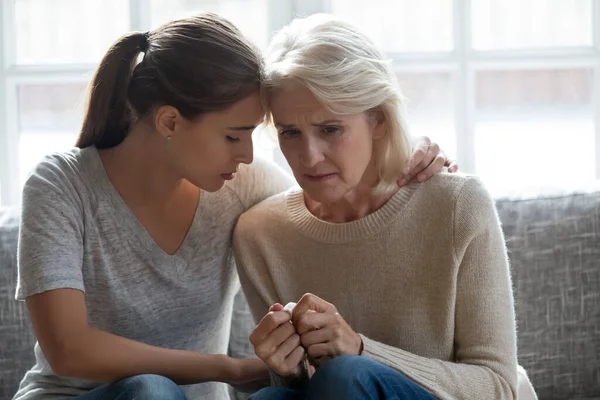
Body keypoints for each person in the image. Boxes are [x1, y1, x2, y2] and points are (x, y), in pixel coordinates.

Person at [13, 13, 454, 400]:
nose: (247, 154)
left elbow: (335, 201)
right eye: (233, 135)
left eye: (253, 135)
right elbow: (69, 350)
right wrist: (230, 369)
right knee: (151, 390)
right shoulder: (60, 185)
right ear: (169, 121)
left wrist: (402, 151)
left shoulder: (241, 185)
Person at [233, 14, 538, 400]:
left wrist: (361, 350)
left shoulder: (458, 205)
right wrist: (289, 370)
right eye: (289, 132)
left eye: (330, 129)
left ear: (377, 118)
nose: (308, 157)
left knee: (345, 376)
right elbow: (303, 391)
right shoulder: (260, 234)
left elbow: (499, 386)